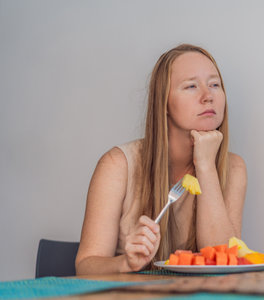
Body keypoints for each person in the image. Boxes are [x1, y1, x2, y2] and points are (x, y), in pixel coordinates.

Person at [75, 44, 247, 275]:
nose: (208, 97)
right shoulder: (117, 165)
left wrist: (205, 166)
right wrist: (126, 263)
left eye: (215, 85)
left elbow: (223, 261)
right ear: (163, 103)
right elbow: (85, 267)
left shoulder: (233, 167)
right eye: (191, 86)